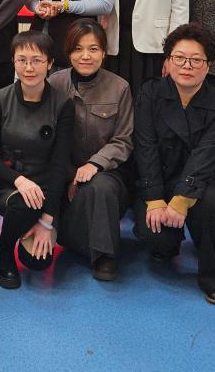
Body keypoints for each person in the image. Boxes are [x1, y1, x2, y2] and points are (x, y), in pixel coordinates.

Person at [133, 22, 215, 304]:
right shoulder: (150, 92)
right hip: (160, 178)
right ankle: (168, 245)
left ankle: (213, 276)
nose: (187, 66)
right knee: (156, 236)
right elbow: (145, 146)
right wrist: (154, 198)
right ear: (168, 61)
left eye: (196, 60)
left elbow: (207, 155)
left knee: (211, 206)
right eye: (179, 58)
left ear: (208, 65)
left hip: (204, 180)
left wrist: (182, 199)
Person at [0, 31, 74, 289]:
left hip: (45, 188)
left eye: (36, 60)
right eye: (22, 60)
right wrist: (19, 180)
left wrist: (46, 221)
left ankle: (30, 226)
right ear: (13, 62)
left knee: (37, 260)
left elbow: (59, 164)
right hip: (6, 183)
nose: (29, 68)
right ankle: (3, 251)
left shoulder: (63, 104)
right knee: (25, 204)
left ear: (50, 63)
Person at [47, 20, 133, 281]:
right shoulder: (54, 83)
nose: (85, 56)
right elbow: (47, 138)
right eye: (78, 49)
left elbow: (123, 140)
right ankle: (72, 238)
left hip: (107, 171)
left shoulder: (120, 87)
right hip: (63, 170)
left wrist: (94, 164)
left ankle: (105, 255)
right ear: (68, 52)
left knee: (100, 187)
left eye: (93, 49)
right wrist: (70, 173)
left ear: (104, 53)